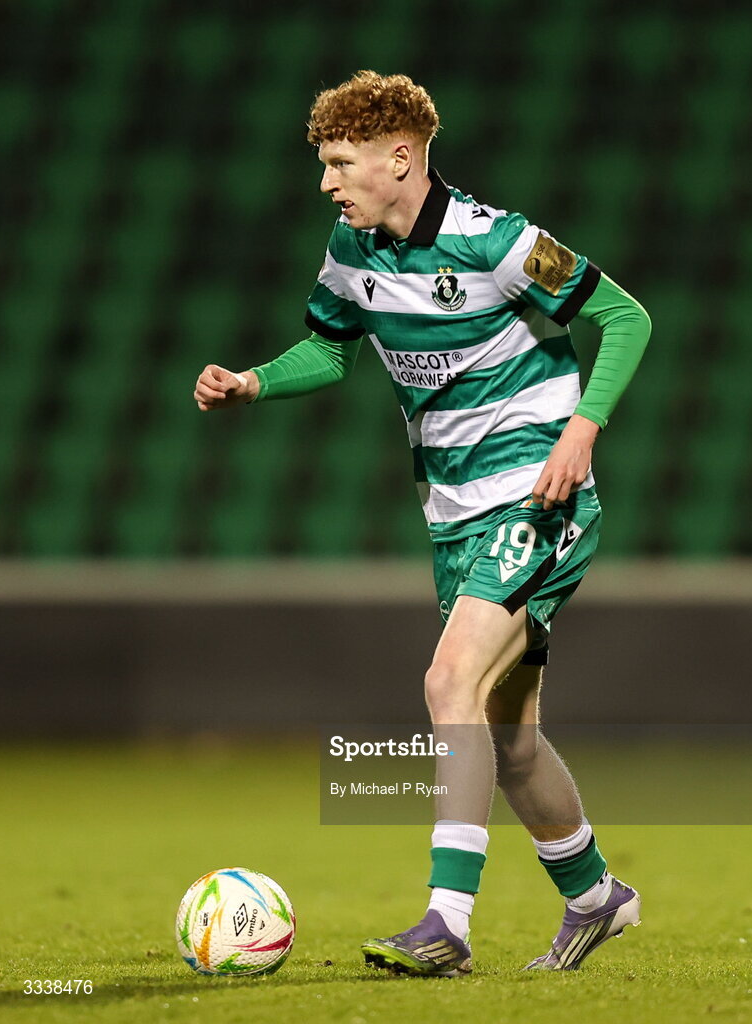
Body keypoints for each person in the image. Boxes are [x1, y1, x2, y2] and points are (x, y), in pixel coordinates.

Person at [194, 70, 651, 976]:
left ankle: (445, 924)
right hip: (451, 515)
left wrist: (580, 430)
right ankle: (597, 896)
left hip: (535, 495)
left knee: (448, 683)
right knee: (509, 737)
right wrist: (254, 381)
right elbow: (328, 349)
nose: (327, 182)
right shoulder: (349, 248)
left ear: (397, 158)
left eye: (340, 163)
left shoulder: (496, 241)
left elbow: (623, 316)